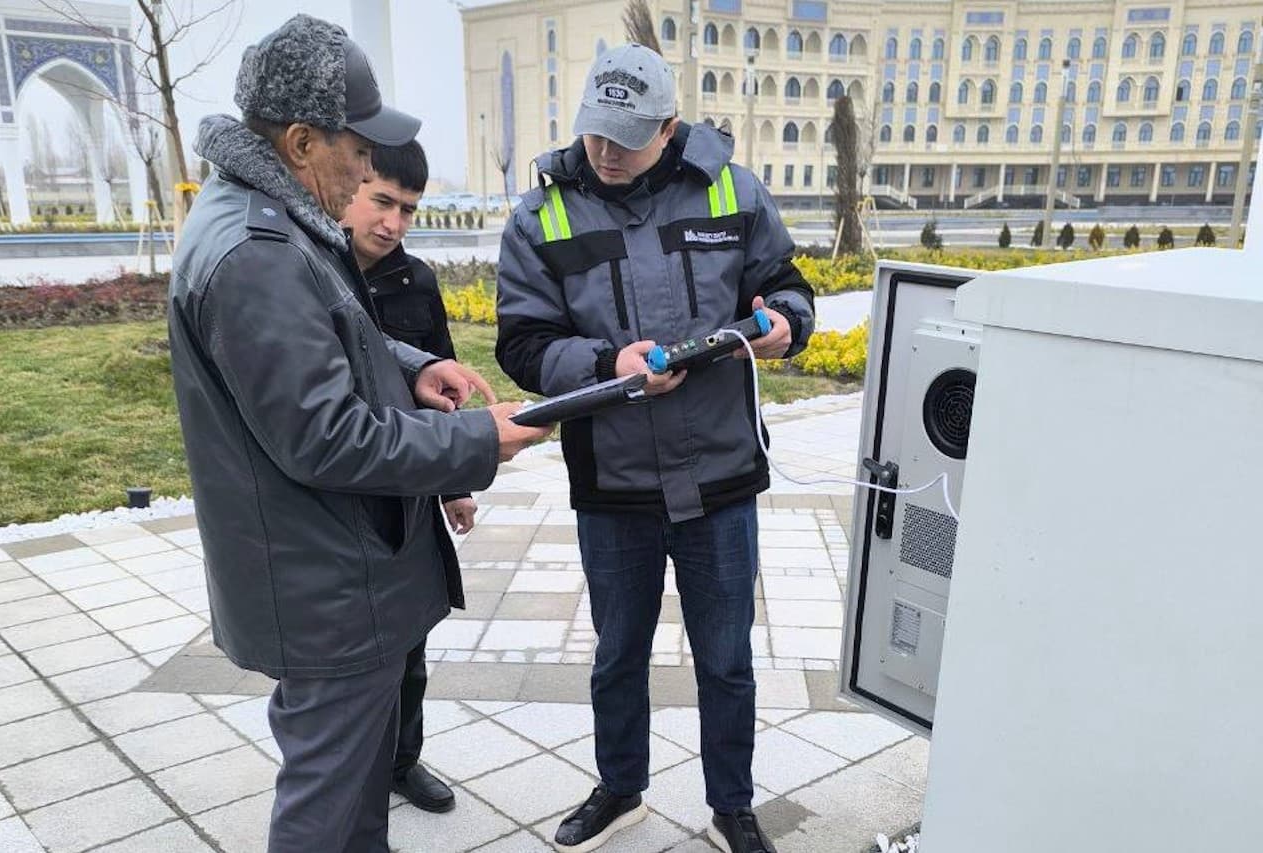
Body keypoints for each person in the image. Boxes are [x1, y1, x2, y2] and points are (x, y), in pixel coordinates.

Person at [167, 15, 549, 852]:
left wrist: (410, 365)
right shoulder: (254, 250)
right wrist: (479, 441)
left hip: (337, 578)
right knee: (326, 811)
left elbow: (330, 337)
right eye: (361, 151)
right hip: (327, 594)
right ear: (302, 141)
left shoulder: (272, 217)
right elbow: (325, 437)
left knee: (353, 812)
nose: (370, 169)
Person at [495, 43, 814, 853]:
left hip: (720, 476)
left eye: (626, 137)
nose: (605, 152)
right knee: (618, 653)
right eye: (595, 133)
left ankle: (732, 803)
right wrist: (610, 365)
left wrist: (785, 326)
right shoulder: (543, 214)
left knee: (726, 659)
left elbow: (788, 287)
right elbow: (524, 344)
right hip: (616, 480)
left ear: (669, 126)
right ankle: (620, 787)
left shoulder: (733, 191)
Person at [339, 137, 469, 814]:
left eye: (408, 209)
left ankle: (402, 759)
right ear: (351, 184)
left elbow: (441, 375)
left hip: (410, 484)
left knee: (413, 640)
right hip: (337, 488)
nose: (392, 222)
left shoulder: (414, 279)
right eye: (382, 200)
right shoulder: (313, 272)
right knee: (350, 652)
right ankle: (349, 767)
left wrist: (454, 481)